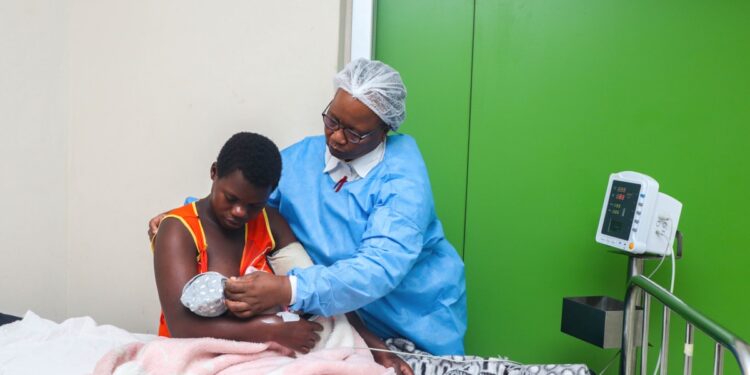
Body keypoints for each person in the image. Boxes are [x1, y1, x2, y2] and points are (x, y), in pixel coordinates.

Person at [150, 59, 467, 357]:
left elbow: (378, 269)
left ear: (385, 129)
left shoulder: (403, 179)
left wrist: (288, 289)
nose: (337, 137)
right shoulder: (300, 160)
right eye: (332, 120)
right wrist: (184, 217)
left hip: (409, 317)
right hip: (335, 319)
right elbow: (246, 200)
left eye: (354, 132)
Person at [151, 132, 413, 375]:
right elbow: (181, 326)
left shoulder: (269, 223)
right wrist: (272, 331)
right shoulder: (178, 231)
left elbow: (318, 287)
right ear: (214, 172)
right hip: (194, 352)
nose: (240, 212)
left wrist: (377, 348)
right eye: (230, 198)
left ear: (270, 193)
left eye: (253, 205)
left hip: (261, 353)